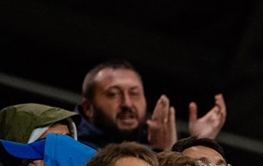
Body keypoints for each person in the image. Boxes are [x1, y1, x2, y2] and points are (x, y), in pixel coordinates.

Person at [75, 59, 227, 151]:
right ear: (89, 108)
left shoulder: (152, 145)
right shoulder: (70, 146)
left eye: (134, 93)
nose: (127, 103)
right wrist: (164, 154)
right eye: (114, 94)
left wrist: (199, 143)